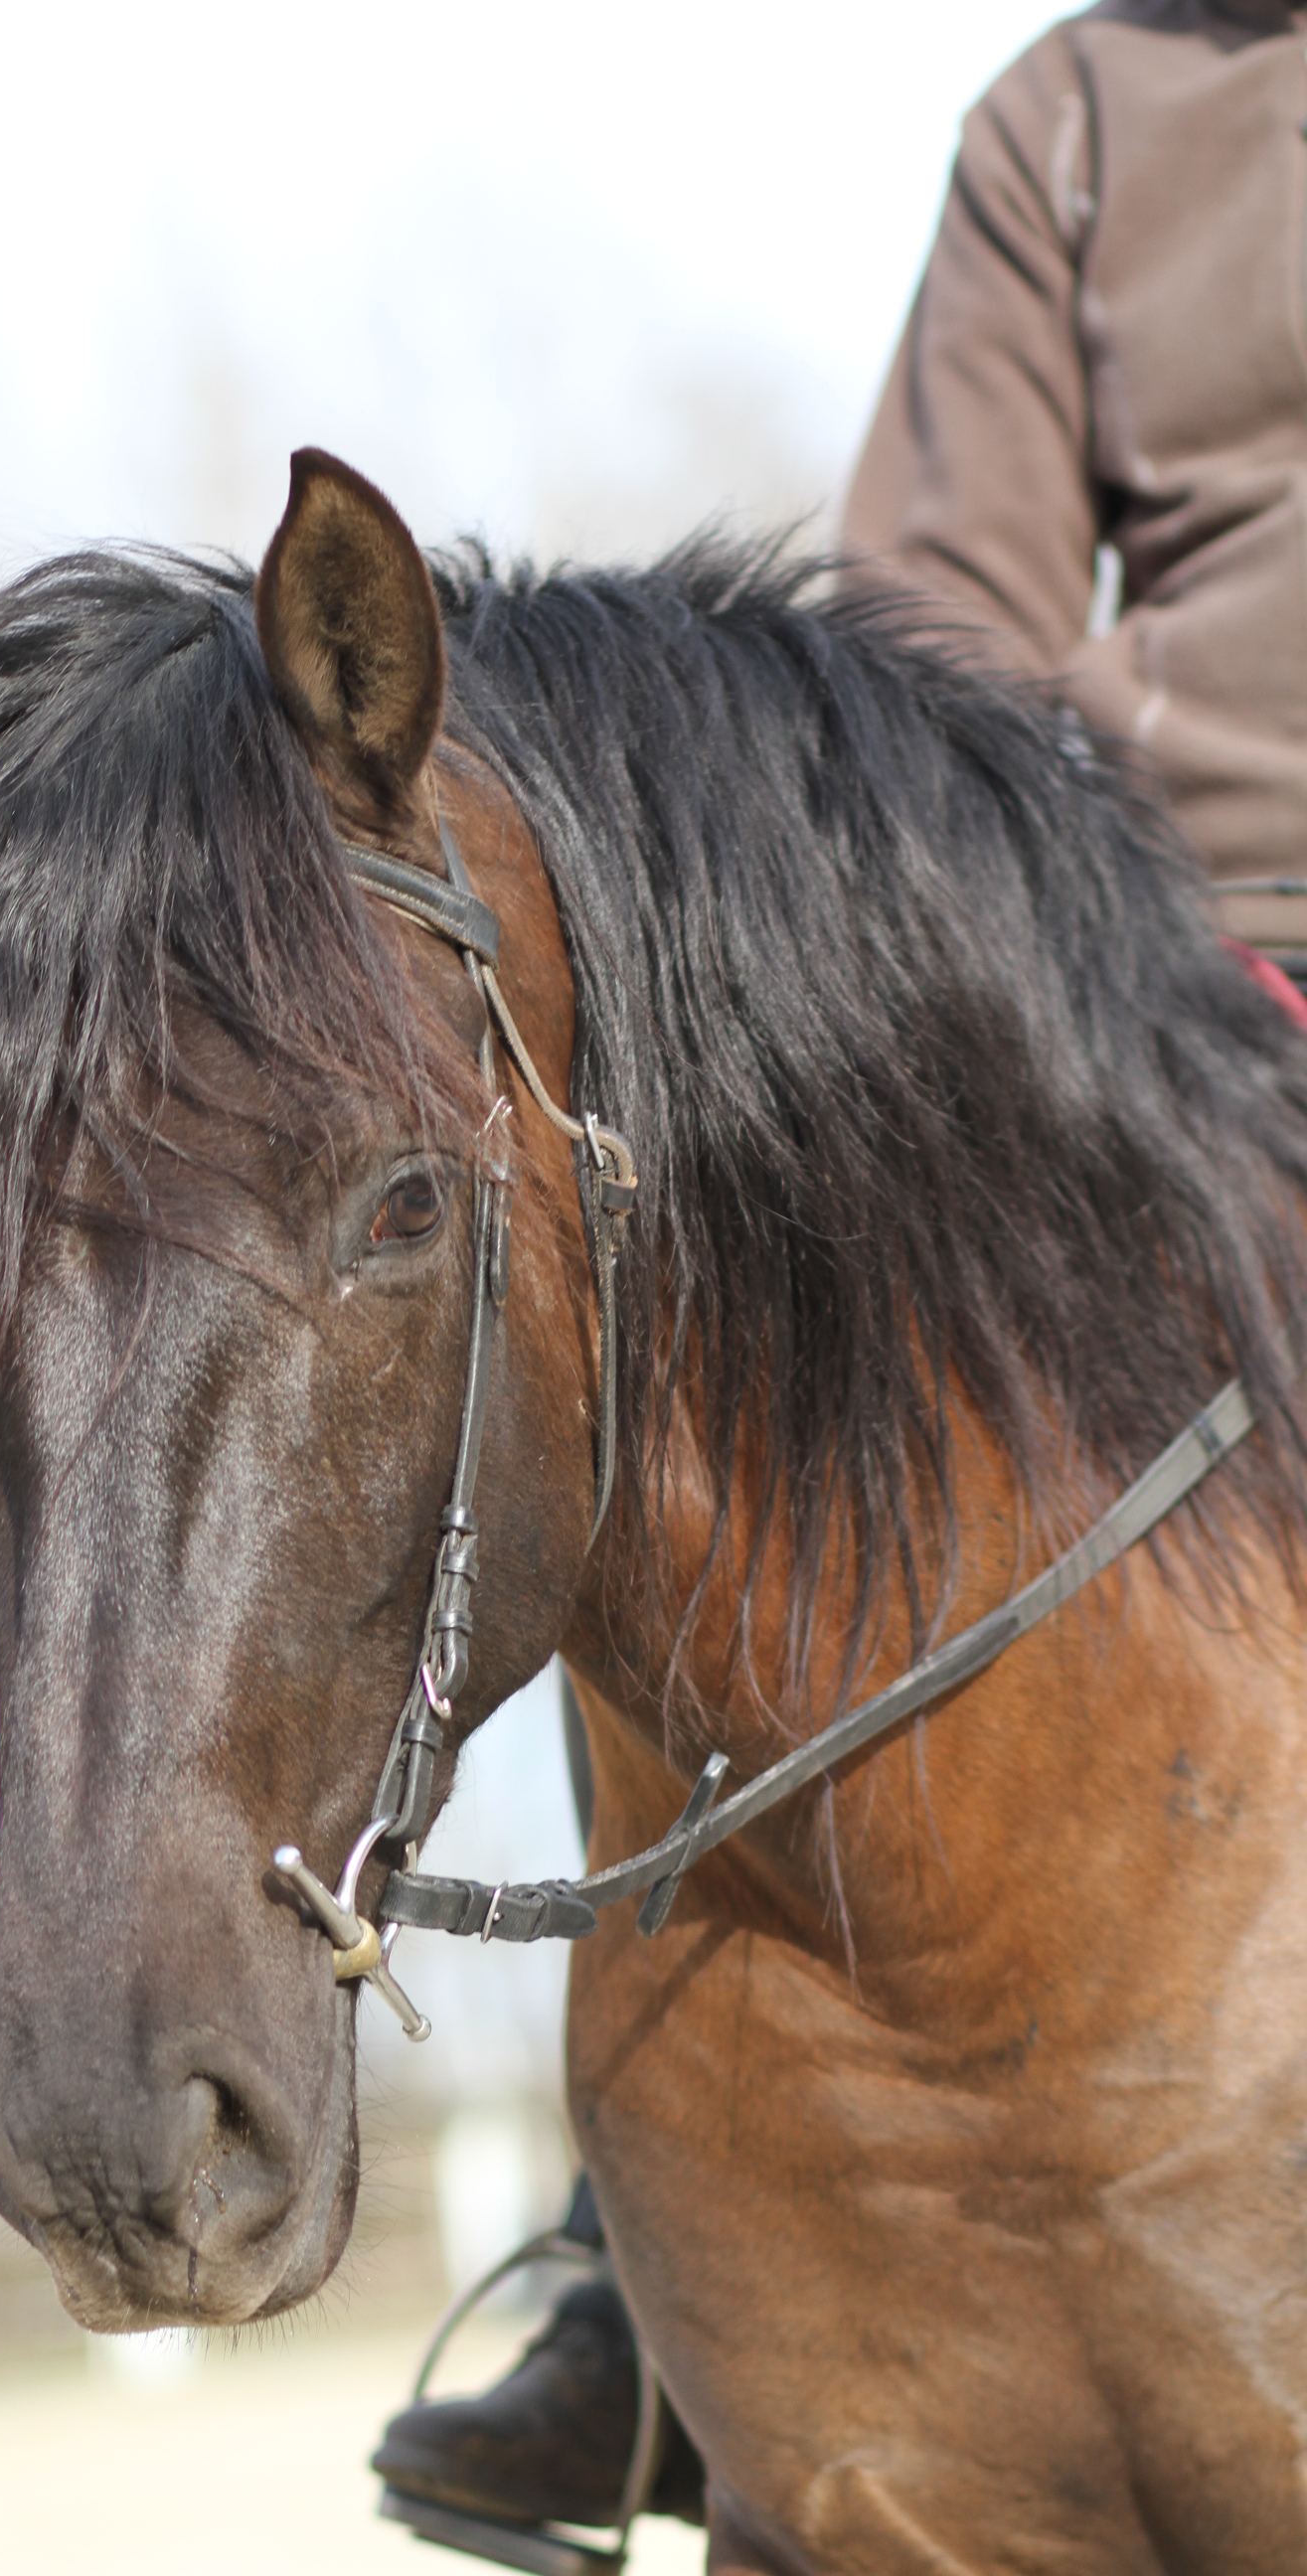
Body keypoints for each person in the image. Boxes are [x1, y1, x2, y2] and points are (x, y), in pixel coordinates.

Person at [373, 1, 1307, 2547]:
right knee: (719, 1379)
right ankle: (645, 2274)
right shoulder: (1082, 116)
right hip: (1179, 966)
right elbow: (951, 612)